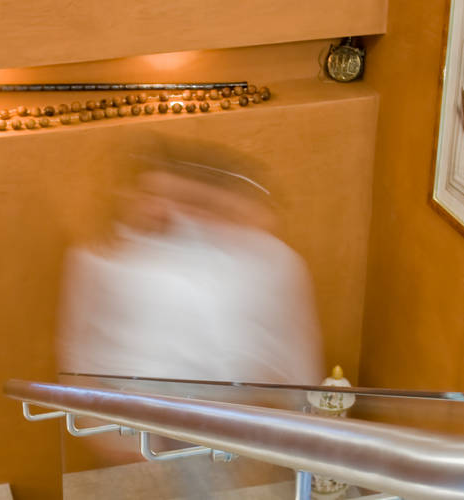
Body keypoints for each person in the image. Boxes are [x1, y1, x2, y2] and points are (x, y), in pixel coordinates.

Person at [57, 133, 324, 386]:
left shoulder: (272, 261)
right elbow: (78, 349)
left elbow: (296, 352)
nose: (160, 208)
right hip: (140, 413)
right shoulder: (97, 261)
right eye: (148, 196)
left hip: (244, 412)